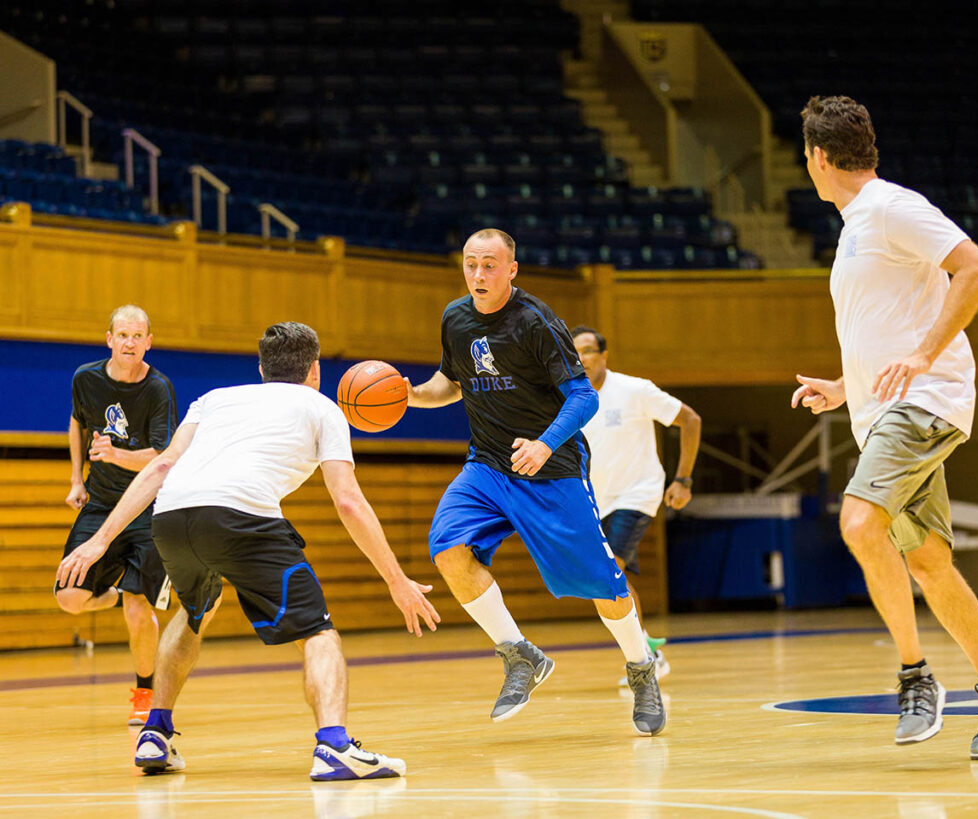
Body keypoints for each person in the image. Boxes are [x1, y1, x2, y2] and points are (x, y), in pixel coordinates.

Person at [57, 322, 440, 780]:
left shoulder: (214, 399)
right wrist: (396, 580)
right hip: (241, 516)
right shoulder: (323, 408)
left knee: (195, 611)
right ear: (314, 370)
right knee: (319, 633)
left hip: (172, 515)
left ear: (261, 367)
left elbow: (161, 466)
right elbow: (348, 501)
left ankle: (155, 733)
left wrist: (99, 540)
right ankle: (335, 745)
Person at [790, 95, 978, 759]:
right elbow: (883, 327)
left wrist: (923, 354)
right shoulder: (859, 224)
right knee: (928, 561)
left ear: (818, 158)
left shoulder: (890, 206)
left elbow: (977, 269)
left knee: (860, 522)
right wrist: (843, 387)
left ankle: (915, 677)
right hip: (882, 408)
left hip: (925, 401)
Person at [406, 228, 666, 736]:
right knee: (448, 549)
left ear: (511, 270)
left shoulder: (536, 321)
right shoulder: (455, 318)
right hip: (486, 467)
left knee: (602, 584)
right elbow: (450, 385)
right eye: (470, 264)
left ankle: (641, 668)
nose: (478, 275)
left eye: (489, 265)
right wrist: (410, 396)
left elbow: (584, 397)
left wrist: (544, 443)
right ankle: (519, 654)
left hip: (551, 470)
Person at [55, 304, 177, 725]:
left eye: (137, 335)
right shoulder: (85, 378)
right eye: (122, 335)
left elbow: (162, 457)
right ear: (109, 339)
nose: (130, 342)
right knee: (69, 596)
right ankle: (114, 594)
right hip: (102, 503)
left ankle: (144, 692)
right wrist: (76, 479)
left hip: (147, 508)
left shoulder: (159, 388)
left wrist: (115, 454)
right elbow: (77, 423)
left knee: (139, 608)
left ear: (149, 341)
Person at [571, 325, 701, 686]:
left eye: (587, 351)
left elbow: (690, 420)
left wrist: (683, 479)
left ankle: (643, 659)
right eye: (574, 352)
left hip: (637, 494)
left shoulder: (634, 389)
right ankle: (646, 650)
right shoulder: (571, 400)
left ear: (604, 356)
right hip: (597, 501)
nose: (581, 359)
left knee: (611, 570)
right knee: (612, 578)